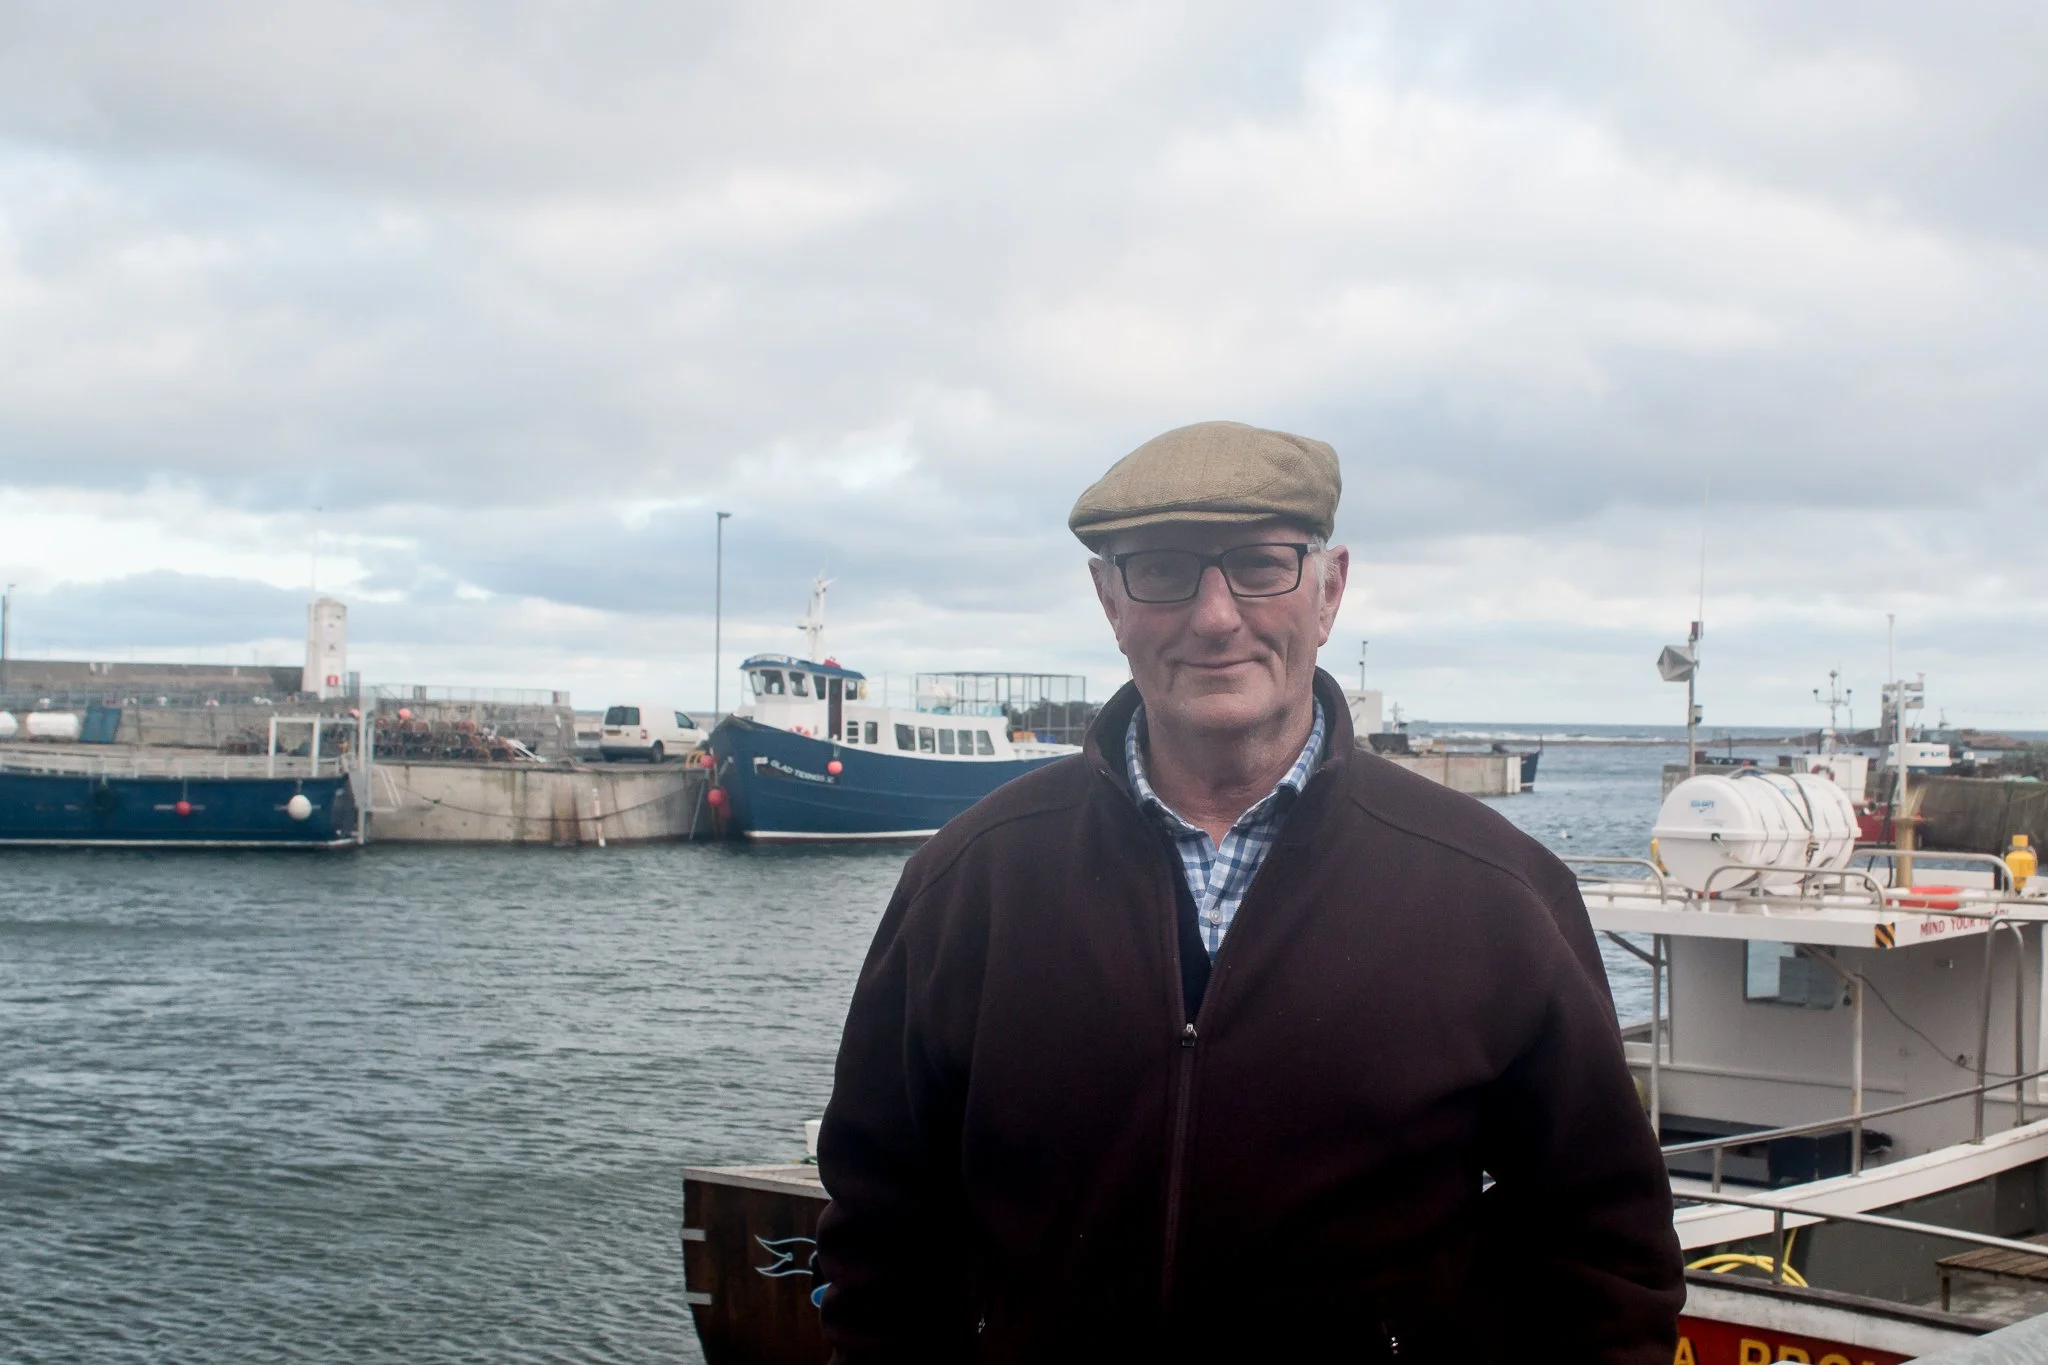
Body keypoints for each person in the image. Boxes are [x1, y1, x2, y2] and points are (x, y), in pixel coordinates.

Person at [815, 421, 1683, 1362]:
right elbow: (882, 1242)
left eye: (1261, 564)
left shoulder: (1492, 895)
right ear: (1110, 598)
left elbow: (1607, 1262)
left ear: (1330, 588)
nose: (1217, 614)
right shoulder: (970, 883)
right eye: (1163, 568)